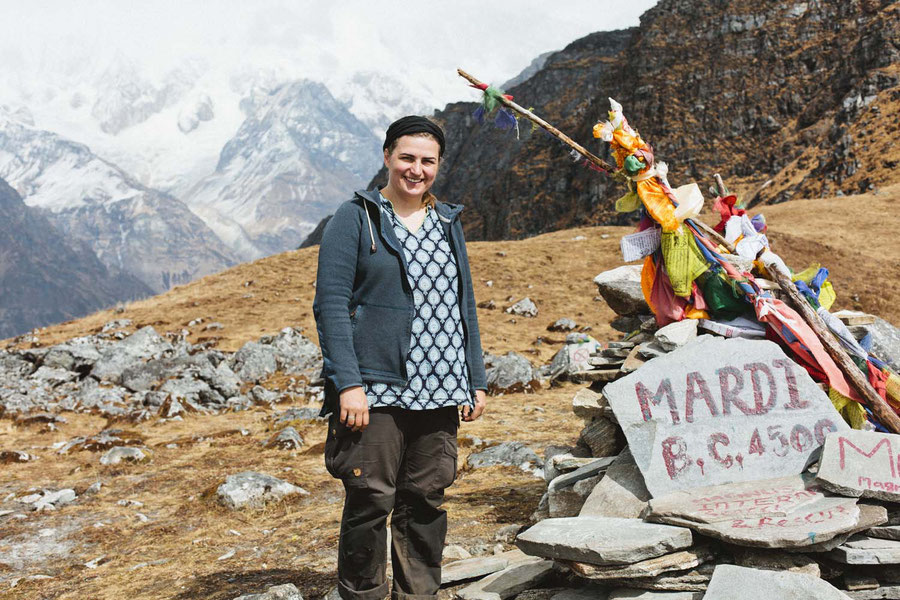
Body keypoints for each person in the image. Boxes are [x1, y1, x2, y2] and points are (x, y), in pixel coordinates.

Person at [313, 115, 488, 600]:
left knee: (426, 501)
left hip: (440, 390)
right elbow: (330, 304)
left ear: (439, 166)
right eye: (407, 157)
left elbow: (463, 303)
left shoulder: (446, 222)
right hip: (376, 390)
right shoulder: (356, 218)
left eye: (427, 161)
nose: (416, 169)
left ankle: (417, 596)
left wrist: (474, 377)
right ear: (387, 156)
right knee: (371, 500)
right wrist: (348, 383)